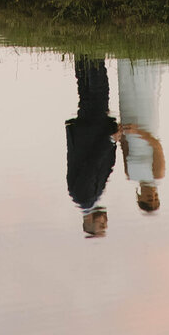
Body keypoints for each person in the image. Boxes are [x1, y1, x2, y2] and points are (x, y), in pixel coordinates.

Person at [65, 56, 118, 239]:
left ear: (88, 223)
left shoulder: (84, 197)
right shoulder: (88, 197)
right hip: (89, 130)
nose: (105, 222)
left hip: (92, 131)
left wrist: (111, 139)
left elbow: (93, 164)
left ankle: (94, 53)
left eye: (100, 226)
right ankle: (84, 51)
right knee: (87, 91)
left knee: (97, 89)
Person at [116, 58, 166, 214]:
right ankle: (144, 60)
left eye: (149, 199)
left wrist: (121, 133)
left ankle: (127, 60)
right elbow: (156, 145)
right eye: (155, 198)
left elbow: (124, 148)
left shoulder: (130, 174)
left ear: (140, 197)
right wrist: (138, 132)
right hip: (146, 127)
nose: (152, 195)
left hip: (130, 129)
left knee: (127, 93)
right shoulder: (158, 174)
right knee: (145, 94)